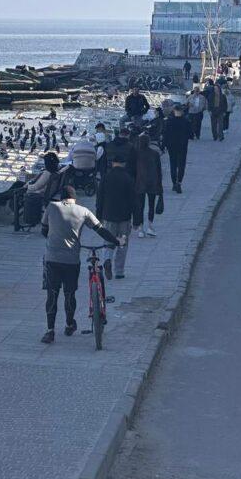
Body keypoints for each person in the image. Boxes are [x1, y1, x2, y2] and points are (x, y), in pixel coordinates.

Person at [39, 186, 119, 344]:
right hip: (71, 260)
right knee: (70, 294)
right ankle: (69, 324)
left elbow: (43, 230)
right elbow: (101, 229)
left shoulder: (52, 206)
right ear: (74, 198)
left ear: (61, 197)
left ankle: (50, 331)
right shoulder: (83, 211)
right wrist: (117, 241)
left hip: (52, 259)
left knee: (52, 294)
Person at [96, 158, 135, 280]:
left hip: (108, 216)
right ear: (124, 163)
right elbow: (134, 200)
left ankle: (107, 259)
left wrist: (98, 216)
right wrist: (137, 218)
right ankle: (119, 271)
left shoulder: (106, 177)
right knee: (122, 243)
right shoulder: (128, 178)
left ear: (112, 163)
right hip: (124, 217)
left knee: (108, 240)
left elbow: (100, 198)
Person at [133, 133, 163, 238]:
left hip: (140, 183)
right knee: (151, 205)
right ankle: (150, 226)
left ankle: (140, 229)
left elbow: (133, 170)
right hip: (152, 183)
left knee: (140, 206)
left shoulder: (136, 154)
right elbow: (159, 171)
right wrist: (160, 185)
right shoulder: (155, 154)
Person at [163, 104, 192, 193]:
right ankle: (179, 182)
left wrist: (164, 145)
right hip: (182, 146)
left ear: (174, 111)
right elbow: (190, 134)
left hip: (172, 146)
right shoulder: (186, 121)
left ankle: (173, 183)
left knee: (173, 164)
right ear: (182, 111)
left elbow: (165, 134)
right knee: (181, 165)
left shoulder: (169, 121)